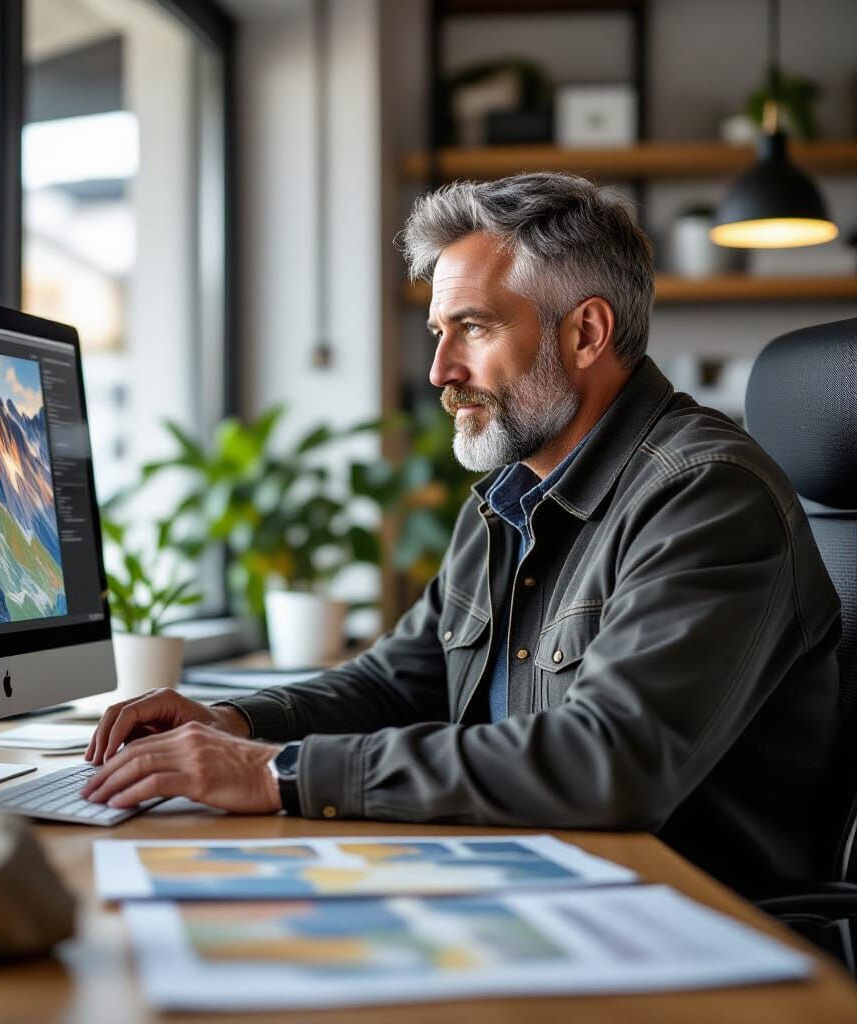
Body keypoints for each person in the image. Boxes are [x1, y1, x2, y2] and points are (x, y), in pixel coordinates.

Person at [82, 173, 843, 894]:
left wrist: (273, 772)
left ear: (586, 332)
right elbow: (395, 681)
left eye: (473, 327)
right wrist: (236, 722)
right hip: (533, 870)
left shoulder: (705, 495)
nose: (441, 368)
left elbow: (608, 762)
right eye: (439, 331)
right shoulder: (507, 500)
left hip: (683, 922)